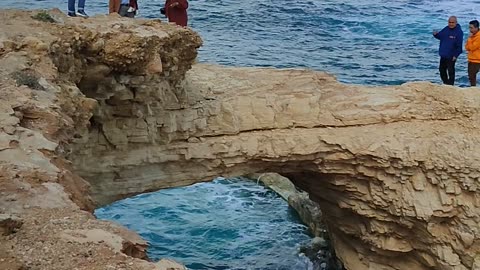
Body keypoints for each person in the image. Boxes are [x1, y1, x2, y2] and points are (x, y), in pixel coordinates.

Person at [433, 16, 463, 85]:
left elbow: (459, 46)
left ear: (456, 23)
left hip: (451, 56)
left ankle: (451, 85)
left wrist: (456, 55)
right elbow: (440, 36)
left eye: (452, 22)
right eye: (449, 22)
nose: (451, 24)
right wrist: (435, 35)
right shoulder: (446, 29)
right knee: (441, 70)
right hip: (443, 54)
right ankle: (446, 83)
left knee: (451, 71)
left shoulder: (459, 32)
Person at [466, 20, 480, 86]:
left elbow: (472, 48)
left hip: (476, 60)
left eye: (471, 28)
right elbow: (467, 47)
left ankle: (473, 89)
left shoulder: (478, 37)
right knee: (471, 77)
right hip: (471, 59)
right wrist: (470, 40)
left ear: (476, 28)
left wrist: (469, 38)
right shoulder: (472, 37)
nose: (470, 29)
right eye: (469, 27)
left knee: (472, 76)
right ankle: (473, 88)